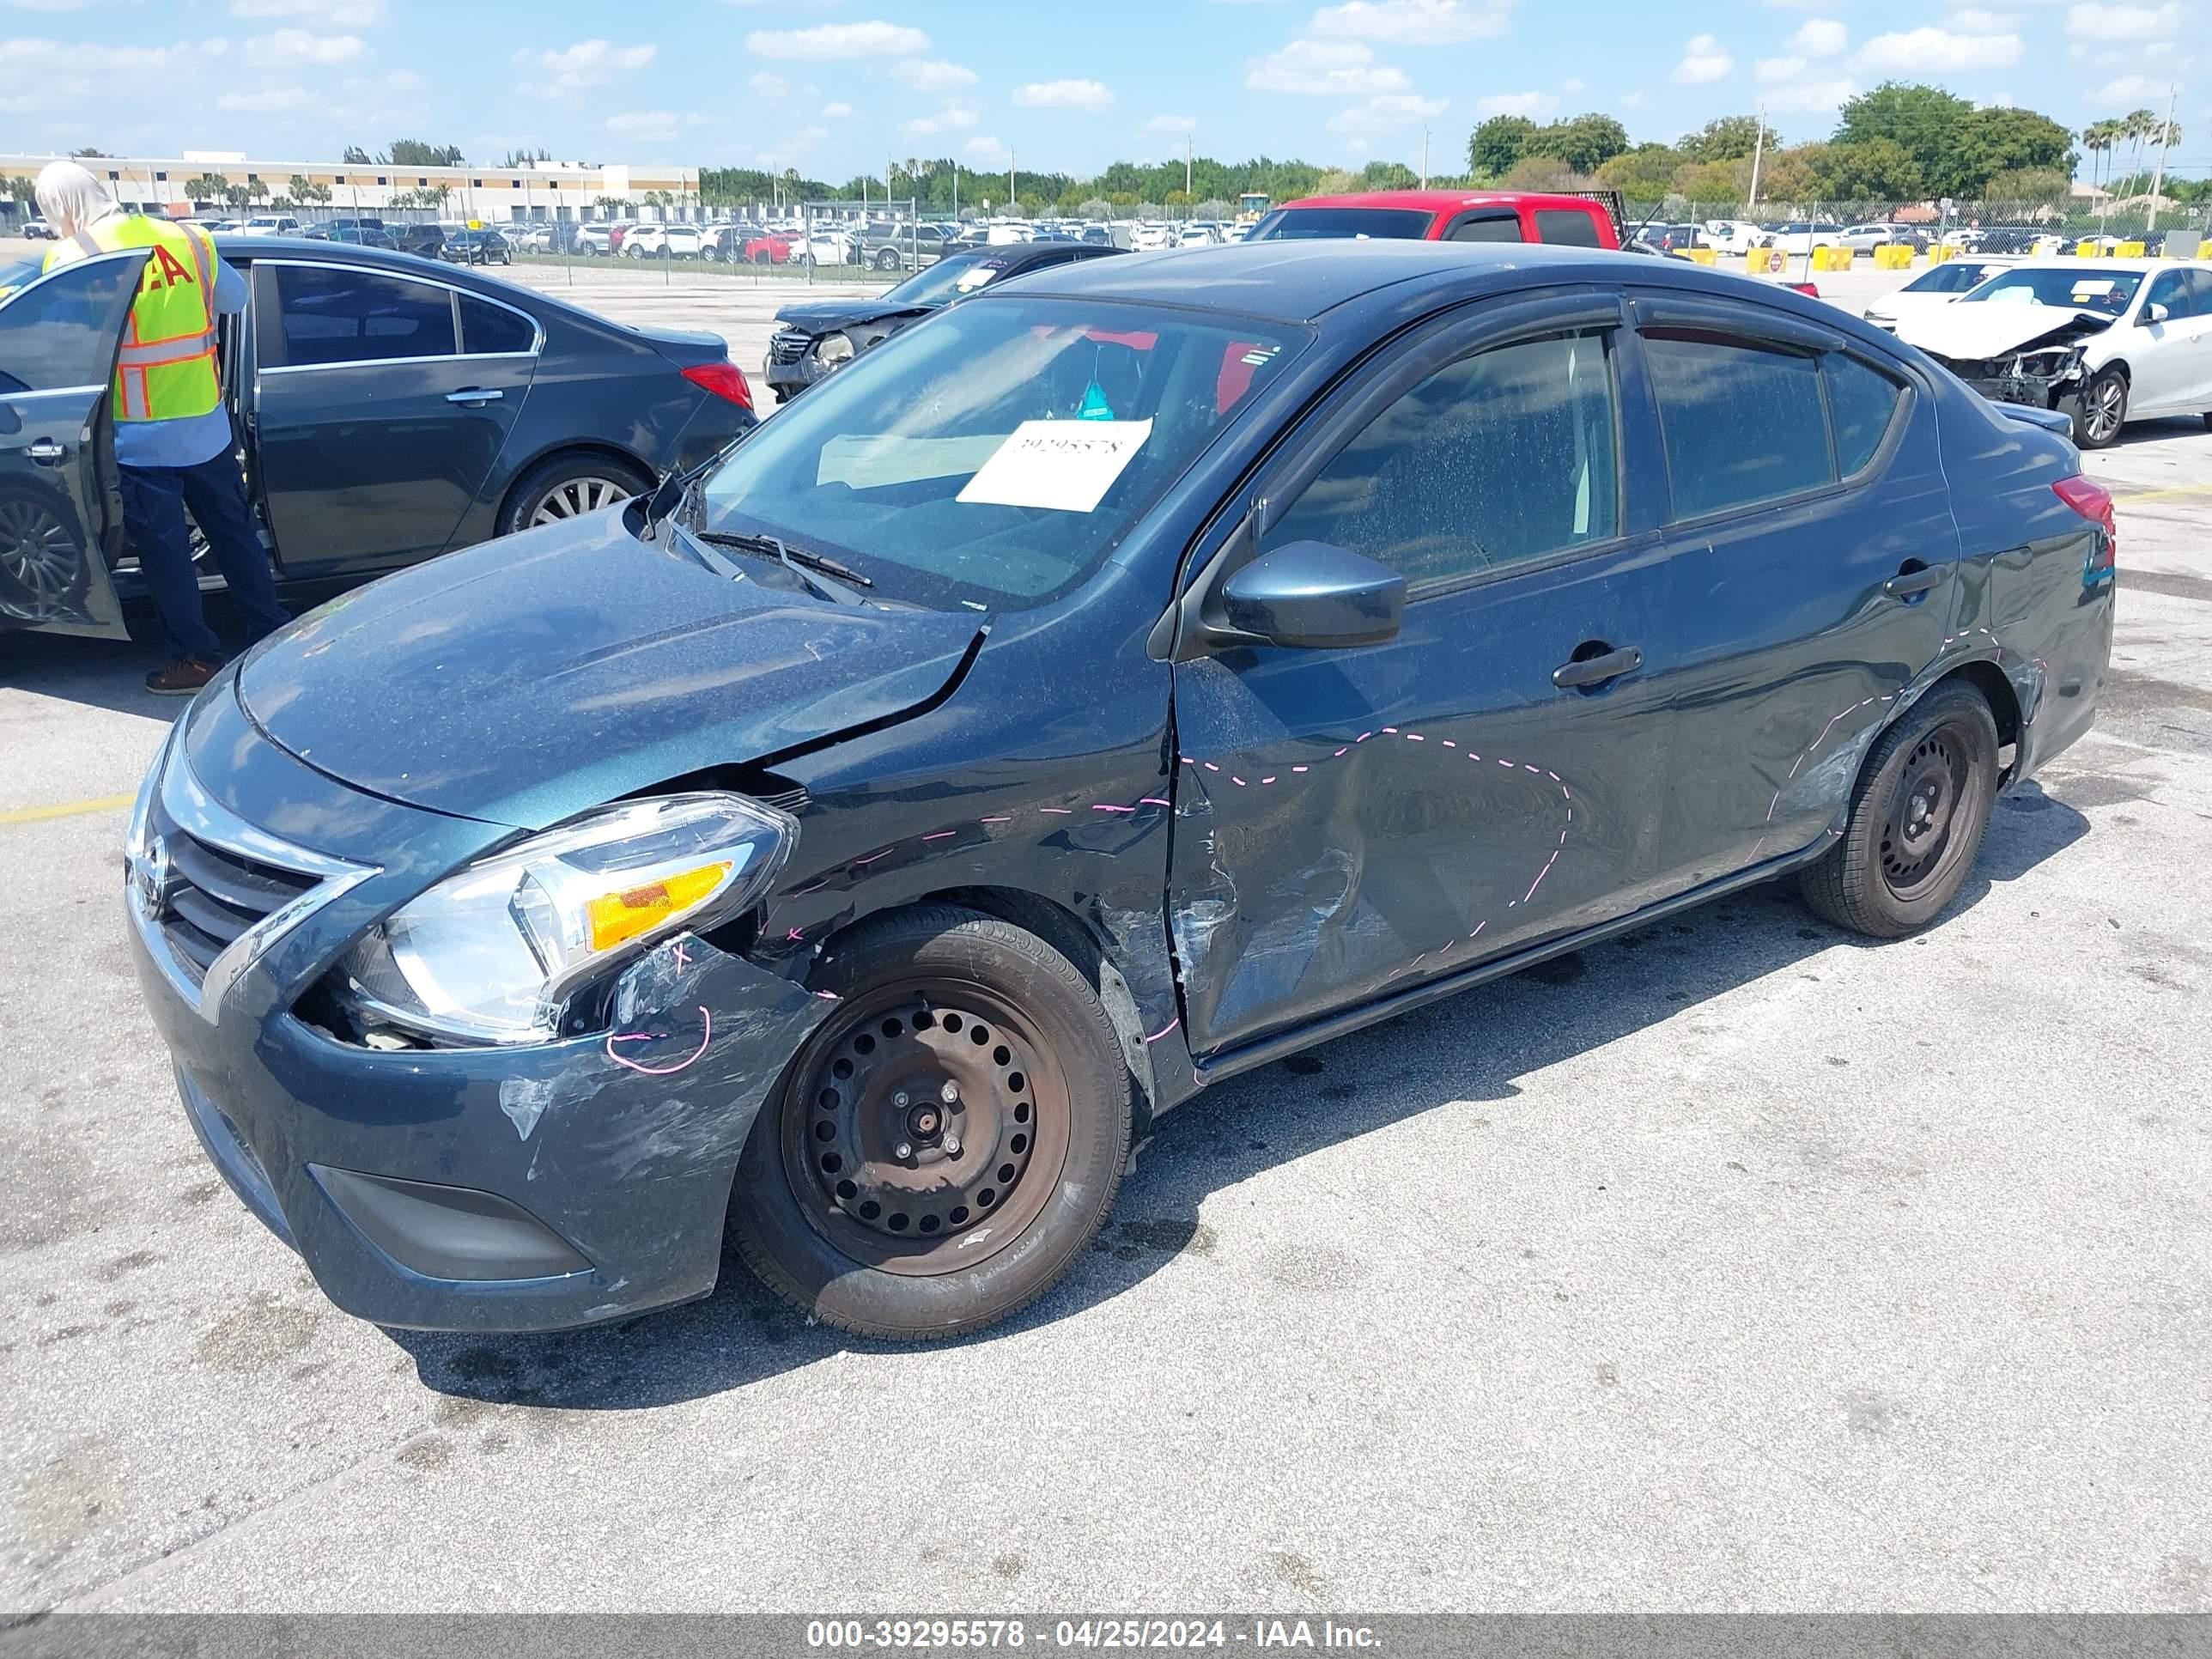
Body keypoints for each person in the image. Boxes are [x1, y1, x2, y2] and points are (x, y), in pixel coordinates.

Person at [35, 161, 289, 694]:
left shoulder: (71, 256)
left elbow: (55, 345)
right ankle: (270, 635)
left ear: (63, 206)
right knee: (234, 533)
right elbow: (236, 302)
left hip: (138, 434)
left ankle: (196, 659)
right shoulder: (189, 238)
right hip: (204, 423)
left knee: (166, 554)